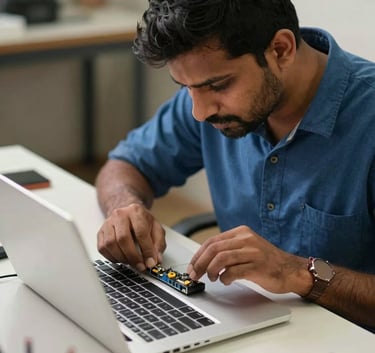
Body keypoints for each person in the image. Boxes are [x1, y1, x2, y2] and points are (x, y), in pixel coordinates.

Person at [95, 0, 375, 330]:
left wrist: (297, 273)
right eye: (187, 88)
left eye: (218, 85)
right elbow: (125, 164)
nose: (199, 112)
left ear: (281, 50)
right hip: (246, 325)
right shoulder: (210, 101)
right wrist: (125, 208)